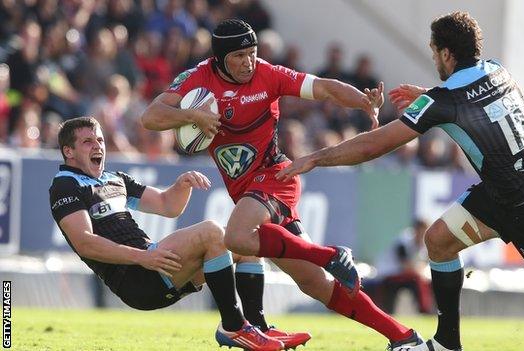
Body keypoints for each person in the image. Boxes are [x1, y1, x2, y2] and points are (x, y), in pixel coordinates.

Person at [277, 11, 524, 351]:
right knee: (439, 241)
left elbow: (375, 144)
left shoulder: (443, 102)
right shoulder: (496, 70)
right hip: (510, 192)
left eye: (434, 52)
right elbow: (473, 104)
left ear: (447, 54)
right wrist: (432, 96)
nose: (433, 59)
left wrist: (316, 158)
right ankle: (447, 343)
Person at [141, 18, 424, 351]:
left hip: (277, 178)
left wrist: (363, 101)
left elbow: (324, 87)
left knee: (236, 236)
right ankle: (403, 336)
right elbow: (151, 116)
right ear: (220, 59)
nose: (248, 62)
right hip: (247, 190)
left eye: (252, 52)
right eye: (239, 56)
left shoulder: (268, 74)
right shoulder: (197, 78)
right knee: (315, 283)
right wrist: (193, 116)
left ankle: (330, 255)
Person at [49, 117, 284, 351]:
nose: (98, 146)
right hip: (135, 277)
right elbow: (84, 243)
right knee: (211, 231)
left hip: (155, 265)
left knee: (244, 243)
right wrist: (142, 257)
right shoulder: (65, 185)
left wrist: (182, 185)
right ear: (68, 151)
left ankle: (258, 328)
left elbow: (167, 205)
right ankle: (233, 326)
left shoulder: (115, 179)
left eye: (100, 139)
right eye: (87, 142)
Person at [371, 219, 434, 315]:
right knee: (417, 280)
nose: (422, 236)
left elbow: (422, 265)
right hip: (389, 273)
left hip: (406, 276)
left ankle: (425, 313)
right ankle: (424, 312)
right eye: (420, 232)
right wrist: (420, 271)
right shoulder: (403, 241)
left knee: (422, 281)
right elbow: (406, 266)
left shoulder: (425, 243)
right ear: (415, 230)